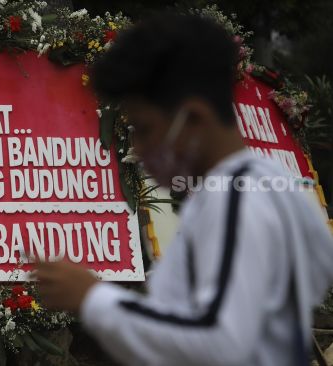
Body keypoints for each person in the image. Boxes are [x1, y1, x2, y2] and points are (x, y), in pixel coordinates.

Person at [35, 13, 333, 365]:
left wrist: (91, 297)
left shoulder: (238, 201)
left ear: (193, 118)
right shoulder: (254, 187)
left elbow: (220, 341)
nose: (138, 150)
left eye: (144, 129)